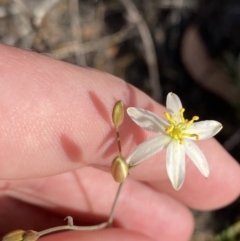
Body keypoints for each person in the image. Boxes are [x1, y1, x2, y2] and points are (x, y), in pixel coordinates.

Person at [0, 43, 239, 241]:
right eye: (178, 126)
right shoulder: (159, 128)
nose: (178, 127)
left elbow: (184, 150)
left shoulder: (178, 144)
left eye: (180, 127)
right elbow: (139, 123)